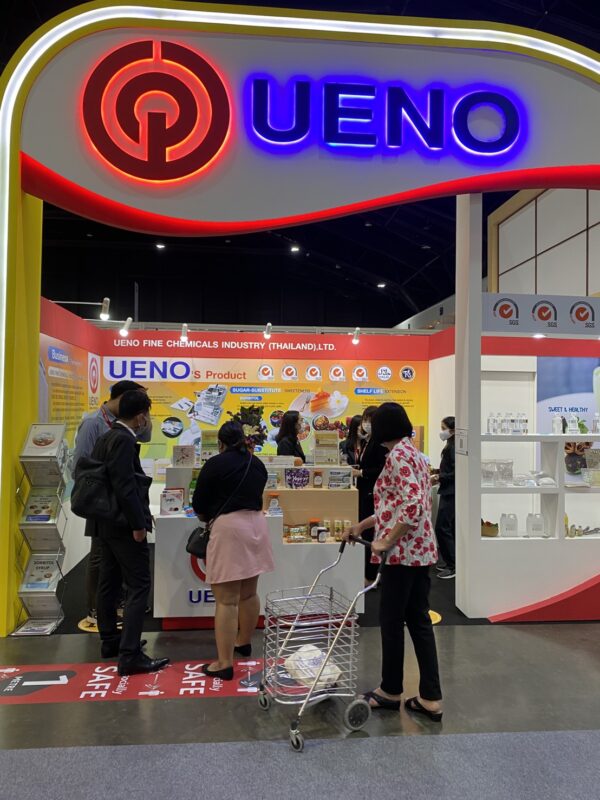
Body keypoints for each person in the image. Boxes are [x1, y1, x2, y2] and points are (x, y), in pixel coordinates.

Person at [345, 402, 442, 721]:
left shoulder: (398, 457)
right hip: (421, 552)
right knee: (419, 621)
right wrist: (363, 526)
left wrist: (386, 540)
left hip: (402, 554)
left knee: (391, 621)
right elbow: (397, 505)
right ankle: (430, 697)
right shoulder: (414, 454)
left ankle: (390, 690)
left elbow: (411, 506)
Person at [91, 390, 169, 676]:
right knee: (139, 585)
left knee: (109, 582)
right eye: (147, 415)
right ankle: (130, 654)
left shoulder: (107, 436)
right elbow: (125, 487)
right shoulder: (124, 440)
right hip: (123, 524)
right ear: (140, 417)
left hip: (105, 522)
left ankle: (111, 640)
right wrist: (138, 524)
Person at [192, 422, 275, 680]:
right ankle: (243, 641)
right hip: (257, 525)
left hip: (230, 528)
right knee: (249, 593)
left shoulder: (215, 464)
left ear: (221, 443)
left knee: (226, 600)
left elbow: (199, 504)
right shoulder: (256, 463)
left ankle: (224, 663)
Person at [72, 379, 150, 627]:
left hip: (116, 505)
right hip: (102, 503)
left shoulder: (121, 428)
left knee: (111, 567)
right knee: (100, 560)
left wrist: (143, 415)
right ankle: (95, 611)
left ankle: (112, 613)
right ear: (124, 398)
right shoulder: (93, 423)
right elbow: (81, 465)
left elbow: (146, 436)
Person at [353, 406, 387, 583]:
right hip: (365, 490)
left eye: (369, 420)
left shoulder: (380, 443)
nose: (366, 423)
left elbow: (381, 468)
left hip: (373, 491)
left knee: (371, 533)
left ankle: (371, 575)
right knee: (367, 532)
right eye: (365, 419)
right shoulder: (368, 440)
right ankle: (369, 573)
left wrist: (362, 472)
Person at [432, 416, 456, 580]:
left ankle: (452, 565)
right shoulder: (450, 445)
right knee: (447, 527)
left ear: (452, 430)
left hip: (450, 492)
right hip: (448, 491)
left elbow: (455, 471)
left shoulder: (453, 448)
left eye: (443, 428)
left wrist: (439, 477)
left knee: (442, 528)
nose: (441, 432)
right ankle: (450, 562)